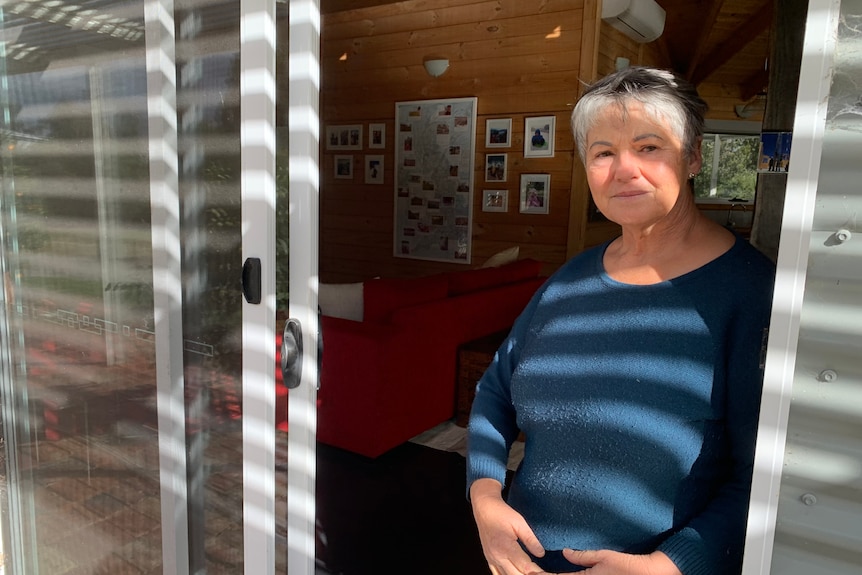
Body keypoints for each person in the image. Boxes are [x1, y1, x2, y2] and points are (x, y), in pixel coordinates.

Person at [466, 66, 775, 575]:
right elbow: (495, 391)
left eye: (649, 147)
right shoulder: (568, 280)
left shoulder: (749, 291)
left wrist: (671, 565)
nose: (623, 169)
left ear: (694, 155)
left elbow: (763, 472)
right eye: (603, 152)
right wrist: (485, 498)